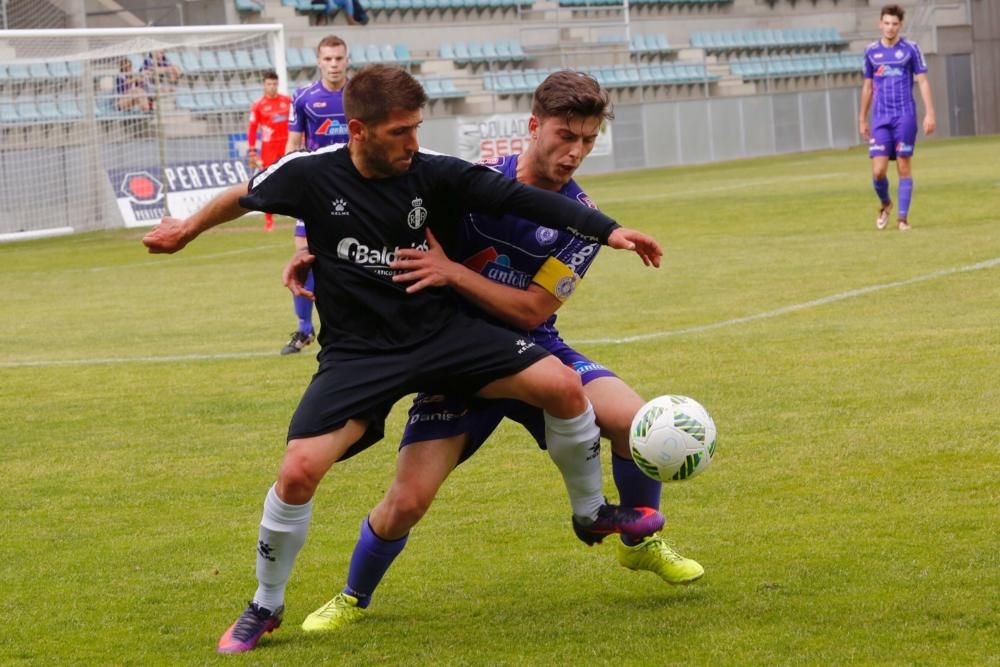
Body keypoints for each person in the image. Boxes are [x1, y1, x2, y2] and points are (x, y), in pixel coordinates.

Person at [141, 64, 665, 655]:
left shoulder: (430, 172)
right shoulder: (310, 174)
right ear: (359, 130)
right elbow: (244, 194)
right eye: (400, 132)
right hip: (359, 355)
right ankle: (265, 604)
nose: (413, 143)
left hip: (443, 332)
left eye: (417, 128)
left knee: (563, 386)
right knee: (298, 473)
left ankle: (592, 513)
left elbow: (522, 198)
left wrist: (612, 231)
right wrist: (186, 230)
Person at [282, 70, 703, 634]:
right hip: (448, 354)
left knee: (636, 421)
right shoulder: (467, 182)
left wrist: (453, 272)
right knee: (407, 501)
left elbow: (531, 311)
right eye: (564, 136)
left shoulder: (580, 221)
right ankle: (352, 597)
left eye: (587, 141)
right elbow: (381, 219)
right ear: (533, 126)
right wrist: (319, 254)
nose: (574, 152)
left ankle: (638, 542)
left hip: (531, 347)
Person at [280, 34, 352, 355]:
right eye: (328, 59)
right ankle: (304, 330)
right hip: (316, 193)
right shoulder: (304, 98)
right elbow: (293, 146)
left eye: (338, 58)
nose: (334, 64)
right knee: (304, 259)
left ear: (347, 59)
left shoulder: (362, 95)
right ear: (319, 61)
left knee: (359, 260)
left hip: (357, 192)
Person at [859, 4, 936, 231]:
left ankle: (902, 219)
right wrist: (862, 119)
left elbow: (922, 81)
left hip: (905, 115)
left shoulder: (911, 49)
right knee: (878, 171)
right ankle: (886, 203)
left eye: (894, 24)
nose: (890, 28)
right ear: (880, 24)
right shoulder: (871, 51)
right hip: (881, 117)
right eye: (886, 23)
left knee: (904, 166)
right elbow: (867, 88)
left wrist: (930, 113)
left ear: (900, 25)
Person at [246, 70, 292, 232]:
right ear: (264, 85)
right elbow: (252, 129)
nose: (272, 87)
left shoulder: (288, 101)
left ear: (277, 84)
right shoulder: (258, 105)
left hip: (287, 144)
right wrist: (252, 150)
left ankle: (295, 212)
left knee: (293, 177)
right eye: (268, 84)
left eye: (274, 84)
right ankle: (269, 220)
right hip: (269, 147)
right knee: (268, 180)